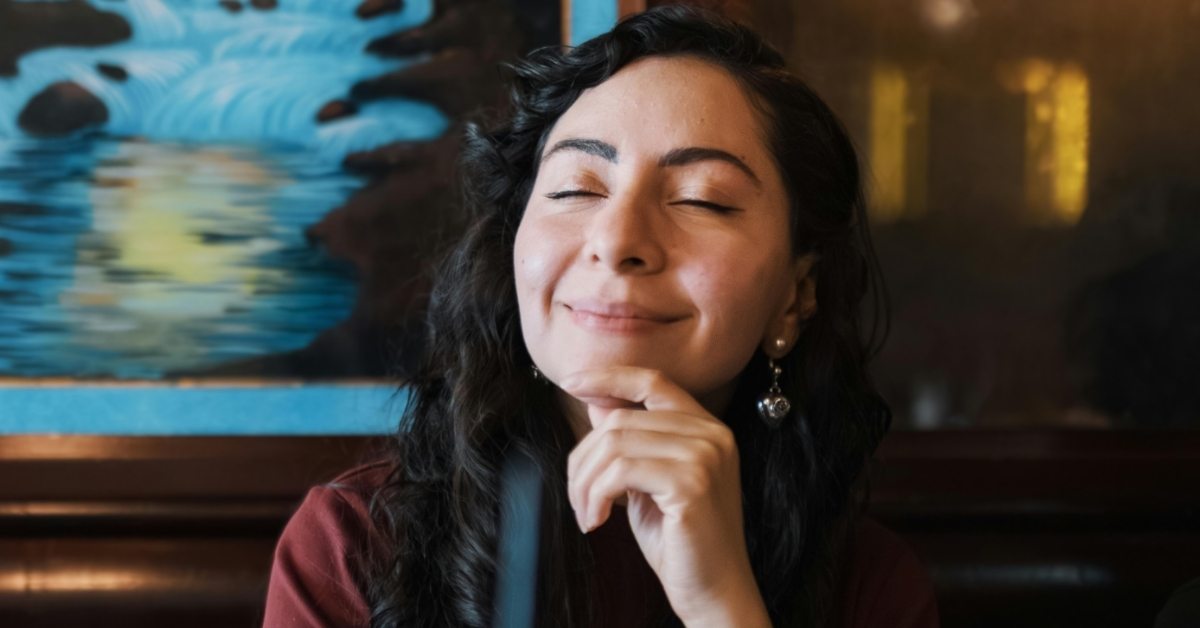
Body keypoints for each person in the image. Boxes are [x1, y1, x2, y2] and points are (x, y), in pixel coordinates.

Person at [263, 6, 938, 628]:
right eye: (574, 188)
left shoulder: (869, 587)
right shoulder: (355, 546)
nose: (617, 242)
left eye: (702, 201)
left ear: (795, 293)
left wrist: (720, 603)